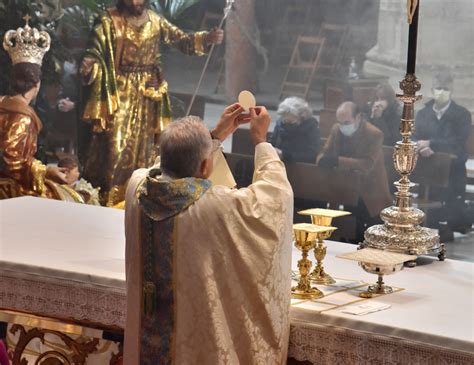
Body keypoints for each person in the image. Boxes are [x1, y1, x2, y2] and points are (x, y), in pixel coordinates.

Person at [124, 104, 293, 364]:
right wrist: (261, 141)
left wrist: (214, 137)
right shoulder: (214, 207)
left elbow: (165, 167)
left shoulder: (136, 189)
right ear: (206, 167)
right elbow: (274, 199)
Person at [79, 0, 224, 206]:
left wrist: (207, 38)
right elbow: (95, 51)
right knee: (114, 148)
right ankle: (109, 200)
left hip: (149, 97)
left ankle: (138, 197)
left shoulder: (155, 20)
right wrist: (91, 66)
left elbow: (182, 40)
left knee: (147, 150)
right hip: (120, 95)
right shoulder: (108, 20)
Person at [0, 17, 82, 202]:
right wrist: (46, 171)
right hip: (13, 187)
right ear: (37, 84)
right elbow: (13, 165)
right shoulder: (22, 117)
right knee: (72, 199)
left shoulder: (3, 102)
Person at [317, 101, 392, 243]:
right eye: (340, 122)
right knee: (345, 232)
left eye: (346, 122)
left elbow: (366, 164)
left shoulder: (374, 134)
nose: (343, 126)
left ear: (358, 117)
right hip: (347, 187)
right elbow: (324, 153)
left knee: (367, 236)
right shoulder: (336, 129)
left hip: (370, 191)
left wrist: (337, 161)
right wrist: (322, 160)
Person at [415, 69, 472, 233]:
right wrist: (421, 146)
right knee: (429, 217)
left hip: (452, 172)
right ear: (432, 90)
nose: (442, 92)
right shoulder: (423, 113)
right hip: (428, 170)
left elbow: (457, 142)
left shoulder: (462, 114)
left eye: (446, 89)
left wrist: (431, 144)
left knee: (452, 220)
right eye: (439, 88)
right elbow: (415, 136)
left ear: (451, 91)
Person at [270, 96, 320, 163]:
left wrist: (285, 155)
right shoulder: (280, 124)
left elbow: (312, 154)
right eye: (284, 120)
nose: (286, 123)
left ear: (302, 118)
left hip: (300, 168)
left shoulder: (310, 128)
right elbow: (272, 142)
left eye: (290, 122)